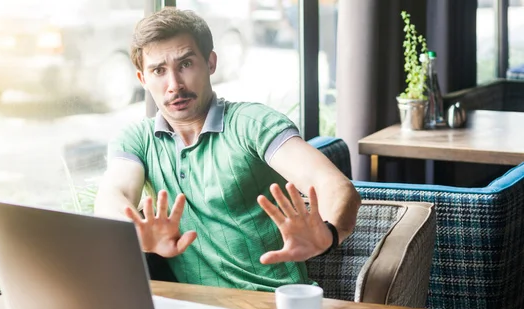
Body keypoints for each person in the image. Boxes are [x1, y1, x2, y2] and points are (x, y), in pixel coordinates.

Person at [94, 7, 360, 292]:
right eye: (159, 70)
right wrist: (133, 233)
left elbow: (336, 187)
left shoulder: (253, 124)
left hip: (271, 306)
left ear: (210, 62)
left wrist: (328, 235)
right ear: (143, 79)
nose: (174, 85)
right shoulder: (137, 139)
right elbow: (113, 195)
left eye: (186, 64)